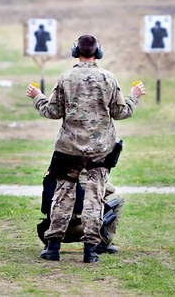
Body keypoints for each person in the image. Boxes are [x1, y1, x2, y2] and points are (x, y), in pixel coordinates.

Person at [26, 34, 145, 263]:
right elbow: (122, 112)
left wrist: (37, 97)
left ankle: (53, 248)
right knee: (95, 197)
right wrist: (134, 96)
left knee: (63, 196)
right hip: (100, 150)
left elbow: (52, 111)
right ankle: (90, 250)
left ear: (75, 51)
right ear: (98, 52)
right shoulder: (108, 78)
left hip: (68, 149)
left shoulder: (66, 78)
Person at [37, 147, 125, 255]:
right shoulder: (89, 172)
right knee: (118, 199)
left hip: (50, 230)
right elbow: (109, 190)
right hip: (84, 230)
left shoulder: (55, 169)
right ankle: (102, 243)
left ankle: (52, 247)